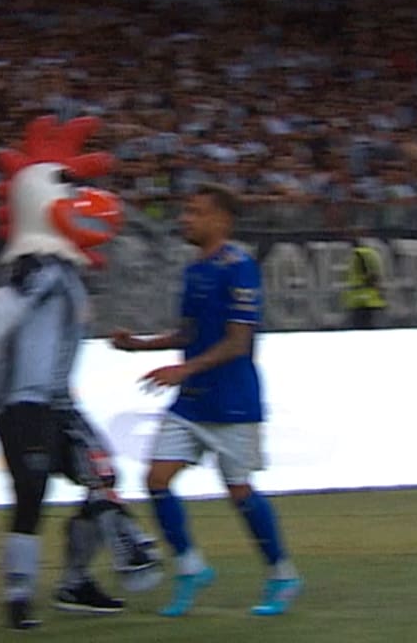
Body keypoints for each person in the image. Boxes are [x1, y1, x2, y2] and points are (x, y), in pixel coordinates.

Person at [0, 115, 161, 631]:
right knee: (32, 487)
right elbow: (5, 302)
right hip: (20, 400)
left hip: (56, 400)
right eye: (68, 183)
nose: (83, 194)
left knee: (104, 476)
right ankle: (18, 594)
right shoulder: (36, 266)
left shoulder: (62, 270)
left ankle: (74, 581)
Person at [111, 182, 302, 618]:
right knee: (156, 480)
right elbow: (190, 334)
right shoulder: (195, 269)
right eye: (186, 212)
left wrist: (183, 369)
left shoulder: (240, 267)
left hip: (233, 401)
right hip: (192, 401)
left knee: (239, 492)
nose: (185, 219)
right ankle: (191, 568)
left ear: (221, 219)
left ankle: (282, 573)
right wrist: (139, 346)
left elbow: (238, 343)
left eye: (195, 213)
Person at [344, 232, 386, 329]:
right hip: (370, 300)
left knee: (361, 328)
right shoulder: (371, 253)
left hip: (361, 301)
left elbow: (370, 276)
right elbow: (375, 275)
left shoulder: (358, 255)